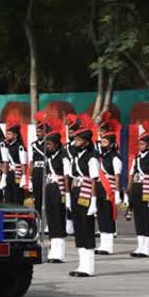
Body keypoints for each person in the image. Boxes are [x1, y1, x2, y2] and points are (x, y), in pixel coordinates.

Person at [68, 116, 99, 277]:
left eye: (78, 140)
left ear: (86, 141)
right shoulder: (76, 156)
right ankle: (81, 264)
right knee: (78, 228)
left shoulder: (92, 158)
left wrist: (93, 202)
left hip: (87, 193)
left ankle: (89, 266)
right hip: (76, 192)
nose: (75, 142)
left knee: (87, 229)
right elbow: (73, 177)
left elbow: (94, 181)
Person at [128, 124, 149, 258]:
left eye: (142, 144)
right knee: (138, 218)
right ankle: (140, 246)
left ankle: (147, 248)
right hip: (136, 191)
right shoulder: (137, 158)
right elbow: (131, 174)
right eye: (139, 143)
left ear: (148, 145)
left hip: (146, 192)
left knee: (146, 219)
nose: (139, 146)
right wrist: (128, 190)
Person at [43, 119, 70, 263]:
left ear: (56, 144)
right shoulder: (48, 157)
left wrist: (67, 195)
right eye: (46, 144)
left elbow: (66, 177)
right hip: (49, 189)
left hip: (59, 190)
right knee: (51, 219)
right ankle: (52, 250)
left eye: (49, 144)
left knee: (59, 220)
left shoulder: (63, 157)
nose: (47, 147)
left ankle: (59, 252)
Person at [96, 121, 122, 255]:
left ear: (111, 144)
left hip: (109, 190)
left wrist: (117, 192)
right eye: (102, 142)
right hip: (100, 188)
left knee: (108, 217)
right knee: (101, 216)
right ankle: (103, 244)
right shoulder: (102, 156)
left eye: (105, 142)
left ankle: (109, 245)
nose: (102, 144)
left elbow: (117, 176)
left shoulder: (115, 158)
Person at [3, 115, 28, 205]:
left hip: (17, 174)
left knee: (17, 195)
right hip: (9, 173)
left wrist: (24, 176)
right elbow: (5, 161)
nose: (7, 136)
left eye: (9, 134)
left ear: (15, 135)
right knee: (8, 196)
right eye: (7, 134)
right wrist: (4, 176)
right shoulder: (7, 146)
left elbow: (23, 163)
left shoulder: (19, 146)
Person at [30, 111, 49, 220]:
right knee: (37, 195)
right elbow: (32, 161)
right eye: (37, 131)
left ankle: (46, 218)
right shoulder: (34, 145)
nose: (38, 133)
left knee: (45, 196)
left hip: (45, 171)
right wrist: (30, 175)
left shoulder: (49, 143)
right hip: (37, 171)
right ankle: (38, 217)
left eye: (40, 131)